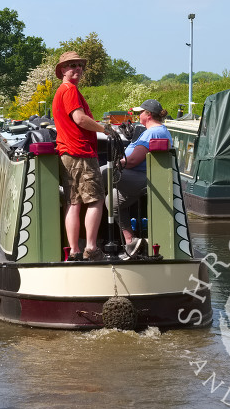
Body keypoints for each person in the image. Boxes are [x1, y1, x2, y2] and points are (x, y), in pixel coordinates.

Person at [52, 51, 110, 261]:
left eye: (80, 65)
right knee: (96, 200)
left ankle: (74, 250)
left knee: (73, 203)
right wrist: (104, 129)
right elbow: (80, 119)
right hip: (81, 153)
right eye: (72, 65)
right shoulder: (70, 91)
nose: (77, 69)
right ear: (63, 71)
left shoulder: (60, 91)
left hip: (67, 153)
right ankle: (92, 249)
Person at [110, 99, 173, 255]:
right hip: (139, 176)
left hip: (142, 178)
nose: (138, 115)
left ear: (149, 114)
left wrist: (115, 163)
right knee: (111, 202)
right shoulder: (157, 130)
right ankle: (131, 242)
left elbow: (132, 161)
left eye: (140, 112)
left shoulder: (154, 132)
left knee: (102, 173)